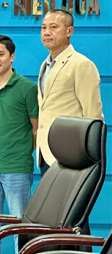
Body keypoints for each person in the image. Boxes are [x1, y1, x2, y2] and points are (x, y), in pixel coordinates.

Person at [0, 35, 38, 254]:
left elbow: (36, 128)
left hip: (17, 168)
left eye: (0, 54)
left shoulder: (27, 88)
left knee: (19, 228)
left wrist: (20, 152)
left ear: (12, 57)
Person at [37, 9, 103, 176]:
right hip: (47, 152)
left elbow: (93, 115)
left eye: (53, 27)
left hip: (72, 154)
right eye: (43, 28)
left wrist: (89, 156)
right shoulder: (45, 65)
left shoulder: (81, 64)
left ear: (69, 31)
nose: (47, 32)